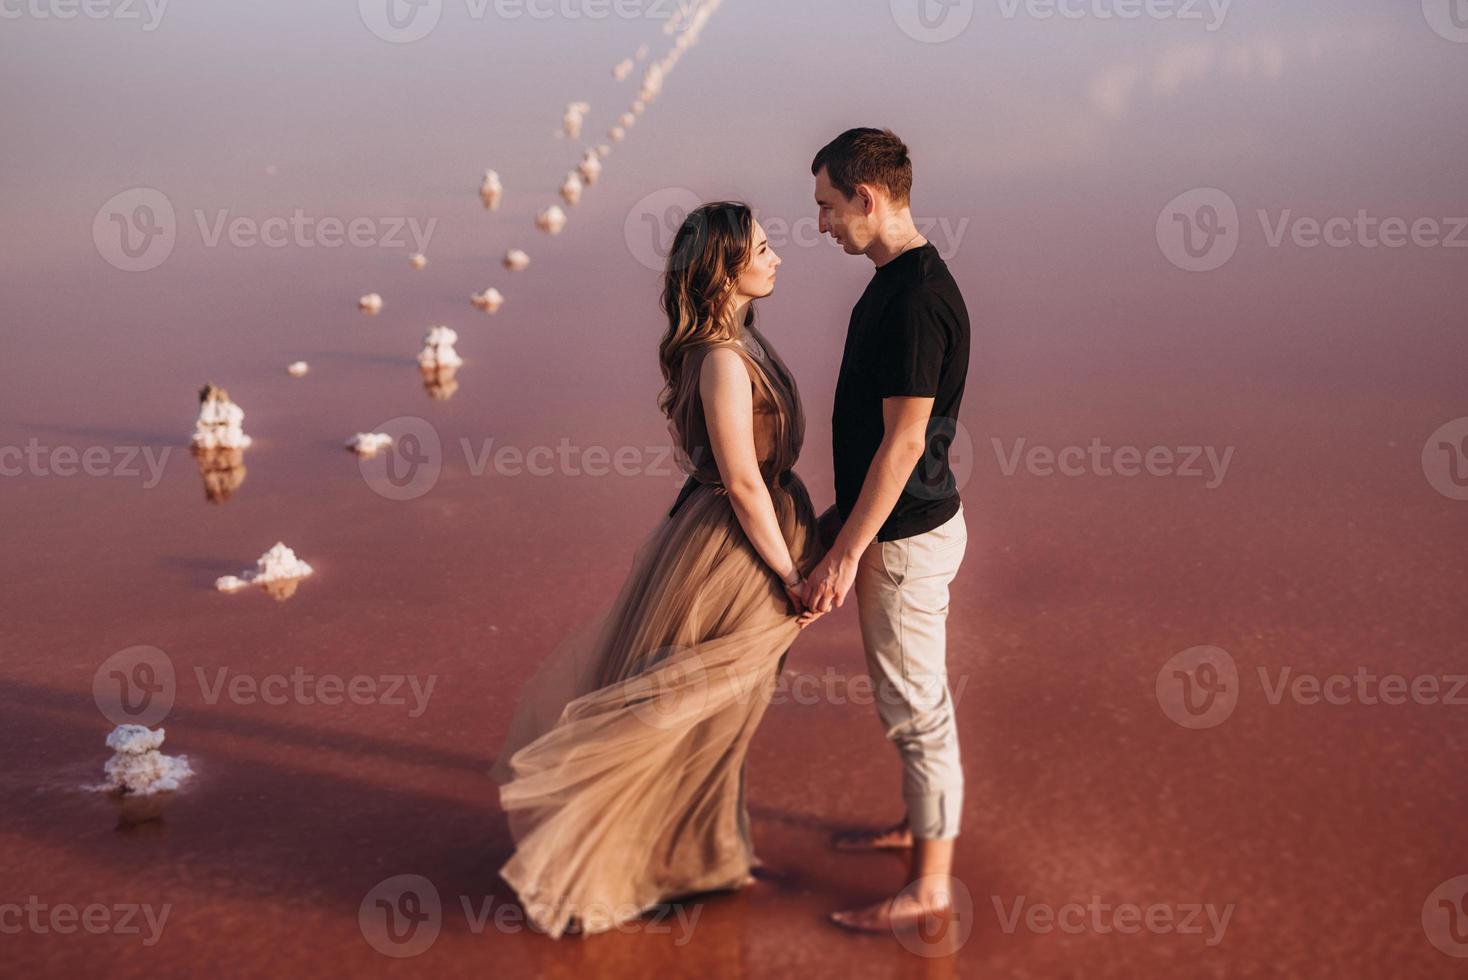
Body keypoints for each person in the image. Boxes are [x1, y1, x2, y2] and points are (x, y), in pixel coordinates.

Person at [489, 201, 822, 938]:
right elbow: (741, 482)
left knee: (721, 715)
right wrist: (790, 575)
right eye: (762, 249)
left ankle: (700, 857)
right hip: (734, 549)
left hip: (748, 532)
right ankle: (623, 867)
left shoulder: (740, 340)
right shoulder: (723, 361)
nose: (777, 258)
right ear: (725, 269)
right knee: (678, 713)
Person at [802, 128, 973, 933]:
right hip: (904, 526)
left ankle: (931, 884)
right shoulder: (899, 279)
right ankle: (922, 820)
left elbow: (906, 442)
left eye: (829, 207)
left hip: (902, 542)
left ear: (867, 198)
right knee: (911, 702)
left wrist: (844, 551)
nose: (825, 224)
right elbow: (886, 441)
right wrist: (840, 520)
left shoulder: (913, 300)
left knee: (916, 709)